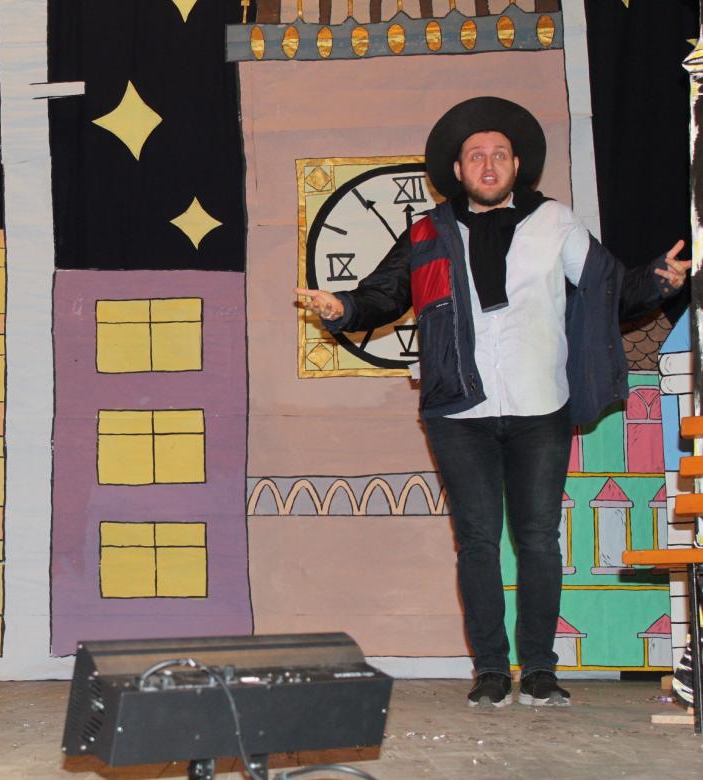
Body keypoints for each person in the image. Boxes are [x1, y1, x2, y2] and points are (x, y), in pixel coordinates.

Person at [295, 97, 689, 708]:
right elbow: (383, 294)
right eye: (475, 155)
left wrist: (658, 280)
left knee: (538, 540)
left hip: (541, 406)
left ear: (516, 165)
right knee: (476, 542)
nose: (487, 164)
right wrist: (342, 308)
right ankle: (490, 671)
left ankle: (539, 670)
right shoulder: (427, 232)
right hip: (458, 411)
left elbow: (609, 287)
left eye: (499, 154)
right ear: (457, 170)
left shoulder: (554, 221)